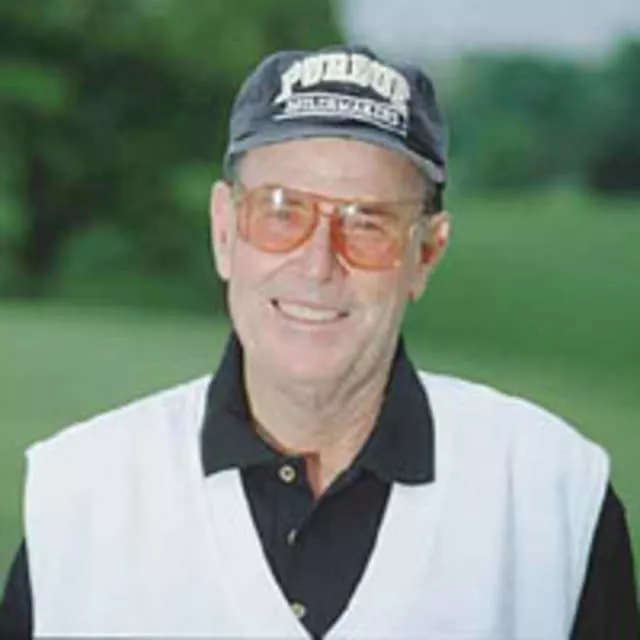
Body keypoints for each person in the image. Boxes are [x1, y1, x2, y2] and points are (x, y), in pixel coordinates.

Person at [0, 44, 638, 640]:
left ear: (426, 254)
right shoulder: (79, 496)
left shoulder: (551, 497)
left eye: (367, 223)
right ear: (224, 231)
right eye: (281, 211)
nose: (316, 264)